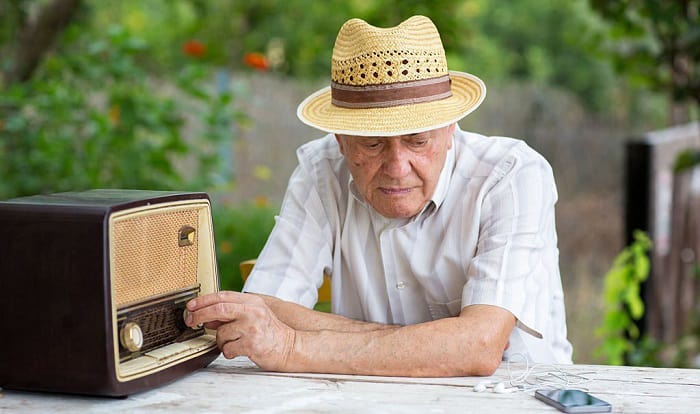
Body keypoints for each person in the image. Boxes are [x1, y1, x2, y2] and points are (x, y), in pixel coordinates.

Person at [185, 15, 573, 376]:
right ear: (340, 139)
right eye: (372, 143)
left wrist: (293, 346)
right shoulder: (320, 170)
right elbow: (263, 309)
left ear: (451, 127)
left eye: (418, 140)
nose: (397, 166)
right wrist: (427, 344)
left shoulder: (511, 175)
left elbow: (481, 345)